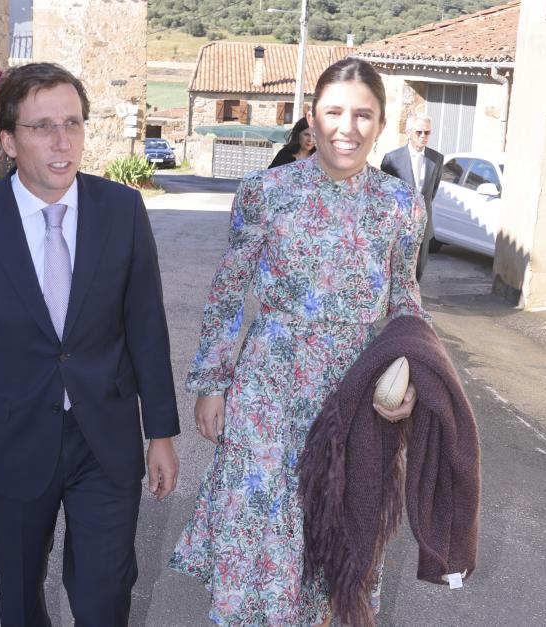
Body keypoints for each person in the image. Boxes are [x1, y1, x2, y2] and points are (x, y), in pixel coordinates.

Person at [169, 58, 430, 626]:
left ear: (380, 124)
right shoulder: (267, 192)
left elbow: (406, 302)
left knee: (333, 541)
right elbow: (227, 291)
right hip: (269, 389)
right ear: (311, 118)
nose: (348, 126)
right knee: (260, 534)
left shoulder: (400, 207)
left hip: (355, 397)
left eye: (363, 114)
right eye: (334, 111)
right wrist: (213, 384)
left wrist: (413, 377)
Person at [0, 62, 180, 627]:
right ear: (8, 141)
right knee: (18, 595)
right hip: (12, 439)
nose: (62, 142)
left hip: (105, 440)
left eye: (73, 123)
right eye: (42, 127)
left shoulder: (122, 211)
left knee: (105, 591)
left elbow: (146, 327)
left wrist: (159, 431)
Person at [380, 113, 444, 280]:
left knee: (418, 272)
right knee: (395, 272)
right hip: (399, 227)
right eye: (419, 132)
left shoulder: (436, 159)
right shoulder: (392, 159)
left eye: (427, 132)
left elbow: (432, 192)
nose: (423, 136)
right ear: (409, 132)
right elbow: (385, 196)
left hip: (423, 226)